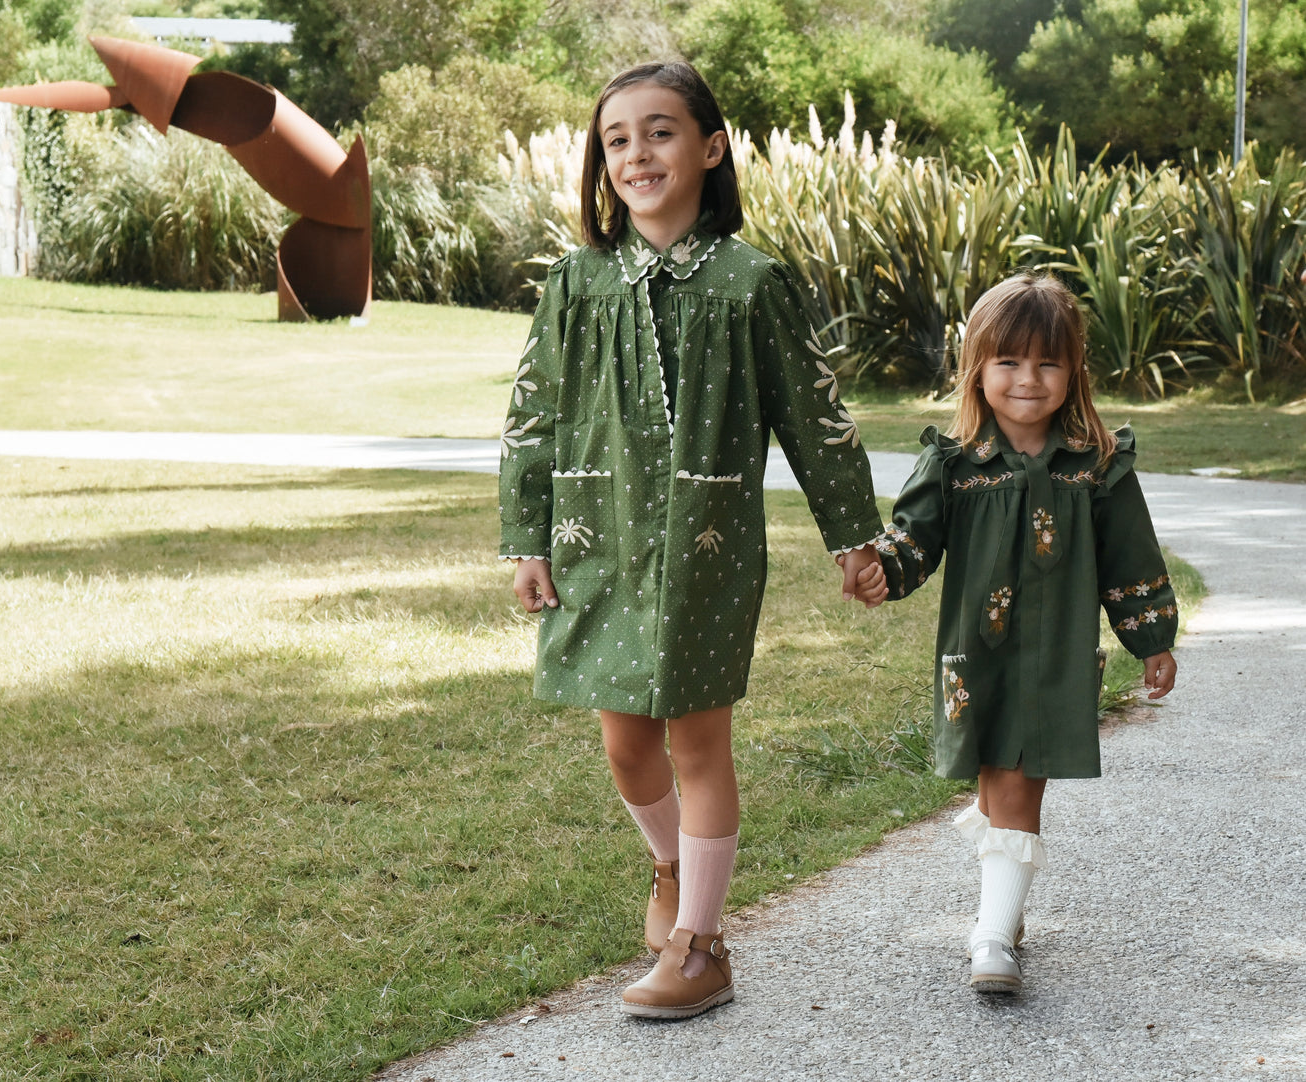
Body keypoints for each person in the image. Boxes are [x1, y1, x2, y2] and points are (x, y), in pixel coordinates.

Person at [499, 60, 884, 1019]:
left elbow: (815, 419)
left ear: (709, 148)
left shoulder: (753, 284)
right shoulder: (575, 284)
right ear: (601, 162)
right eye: (617, 138)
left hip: (705, 545)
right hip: (599, 540)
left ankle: (702, 945)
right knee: (626, 747)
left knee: (696, 741)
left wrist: (853, 538)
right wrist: (527, 538)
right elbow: (530, 417)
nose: (637, 153)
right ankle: (671, 870)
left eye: (660, 131)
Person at [851, 272, 1178, 993]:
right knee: (997, 783)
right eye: (1007, 361)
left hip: (1055, 655)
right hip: (978, 657)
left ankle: (991, 936)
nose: (1027, 379)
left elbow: (1130, 556)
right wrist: (881, 568)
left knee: (1017, 781)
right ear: (976, 369)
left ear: (1073, 371)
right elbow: (913, 540)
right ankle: (1008, 882)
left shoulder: (1095, 466)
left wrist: (1150, 636)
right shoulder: (954, 464)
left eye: (1047, 362)